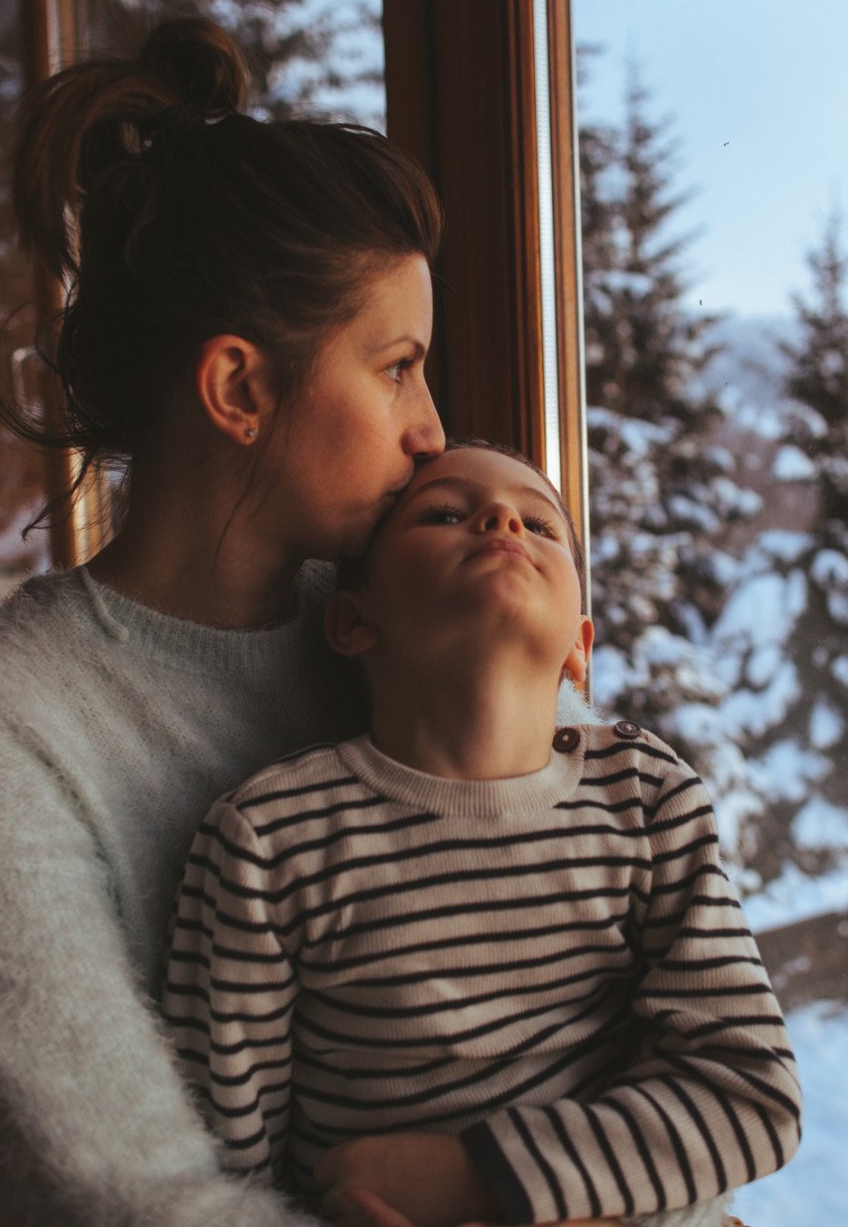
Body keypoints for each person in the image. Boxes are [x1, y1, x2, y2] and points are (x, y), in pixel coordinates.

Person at [0, 16, 450, 1226]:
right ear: (241, 387)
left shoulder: (411, 635)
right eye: (398, 365)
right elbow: (122, 1199)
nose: (432, 430)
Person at [166, 443, 801, 1227]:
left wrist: (475, 1175)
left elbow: (752, 1094)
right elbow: (213, 1165)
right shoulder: (266, 838)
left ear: (579, 646)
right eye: (444, 512)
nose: (503, 520)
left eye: (540, 524)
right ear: (353, 620)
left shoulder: (648, 798)